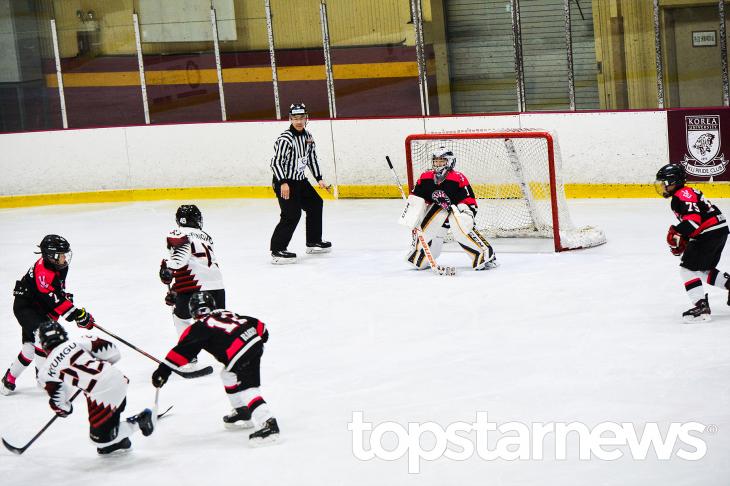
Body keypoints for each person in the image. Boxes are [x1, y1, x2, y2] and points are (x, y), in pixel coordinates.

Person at [151, 291, 279, 446]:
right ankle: (242, 410)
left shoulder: (199, 327)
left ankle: (269, 424)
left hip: (239, 353)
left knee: (247, 387)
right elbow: (260, 327)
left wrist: (163, 371)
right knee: (228, 374)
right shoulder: (226, 313)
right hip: (252, 342)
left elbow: (182, 351)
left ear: (193, 311)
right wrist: (261, 336)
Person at [35, 320, 155, 455]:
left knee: (99, 440)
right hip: (117, 379)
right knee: (105, 427)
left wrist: (66, 409)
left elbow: (60, 404)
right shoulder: (81, 341)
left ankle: (140, 421)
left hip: (103, 395)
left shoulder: (45, 371)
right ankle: (116, 442)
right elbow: (114, 353)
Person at [1, 235, 95, 396]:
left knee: (29, 348)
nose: (65, 258)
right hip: (26, 308)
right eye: (61, 254)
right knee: (42, 338)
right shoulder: (43, 273)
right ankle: (43, 379)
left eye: (65, 254)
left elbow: (58, 293)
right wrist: (77, 314)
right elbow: (56, 302)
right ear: (51, 256)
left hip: (40, 307)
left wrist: (74, 311)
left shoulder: (60, 266)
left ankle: (9, 378)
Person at [655, 163, 730, 322]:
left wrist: (678, 233)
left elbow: (694, 221)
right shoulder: (686, 192)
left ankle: (702, 308)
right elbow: (697, 220)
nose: (662, 187)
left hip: (709, 232)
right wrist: (684, 236)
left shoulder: (680, 196)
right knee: (702, 269)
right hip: (718, 230)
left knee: (687, 270)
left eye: (664, 183)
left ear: (673, 181)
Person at [402, 147, 496, 271]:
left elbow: (468, 199)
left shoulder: (458, 178)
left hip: (455, 210)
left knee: (461, 226)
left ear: (450, 162)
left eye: (442, 161)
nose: (438, 164)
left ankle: (485, 255)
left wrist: (466, 212)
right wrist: (412, 212)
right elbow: (417, 197)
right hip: (437, 210)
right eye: (436, 161)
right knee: (424, 230)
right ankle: (420, 257)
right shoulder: (426, 177)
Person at [269, 102, 332, 264]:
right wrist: (283, 182)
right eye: (295, 118)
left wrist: (319, 178)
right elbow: (275, 163)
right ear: (290, 119)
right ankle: (277, 250)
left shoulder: (308, 137)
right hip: (285, 181)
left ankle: (313, 242)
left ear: (306, 118)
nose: (298, 121)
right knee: (291, 214)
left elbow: (311, 159)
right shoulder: (285, 139)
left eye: (301, 118)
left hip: (300, 180)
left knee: (315, 204)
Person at [159, 205, 225, 337]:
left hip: (194, 288)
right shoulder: (206, 237)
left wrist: (166, 266)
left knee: (181, 319)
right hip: (218, 287)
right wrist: (176, 290)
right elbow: (199, 266)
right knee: (217, 326)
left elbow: (180, 262)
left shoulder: (177, 233)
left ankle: (188, 355)